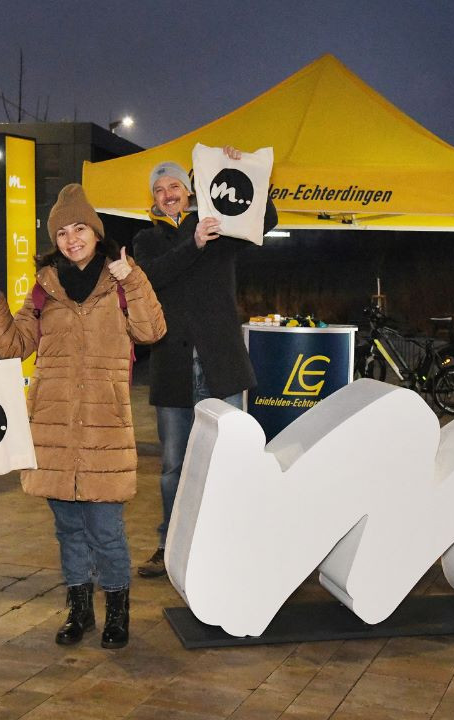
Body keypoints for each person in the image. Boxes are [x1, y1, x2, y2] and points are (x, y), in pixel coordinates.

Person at [0, 184, 165, 649]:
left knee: (107, 531)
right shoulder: (44, 289)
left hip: (104, 428)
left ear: (96, 233)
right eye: (61, 231)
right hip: (53, 431)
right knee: (68, 530)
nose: (71, 238)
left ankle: (118, 612)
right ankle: (79, 611)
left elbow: (151, 330)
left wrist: (133, 278)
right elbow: (13, 345)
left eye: (79, 228)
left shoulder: (122, 282)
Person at [131, 147, 278, 578]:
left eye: (174, 185)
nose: (167, 194)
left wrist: (237, 170)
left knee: (227, 459)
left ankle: (228, 540)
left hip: (221, 363)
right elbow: (152, 278)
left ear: (190, 190)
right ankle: (169, 543)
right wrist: (194, 244)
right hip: (172, 366)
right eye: (159, 190)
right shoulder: (146, 239)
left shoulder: (220, 222)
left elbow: (264, 219)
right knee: (174, 463)